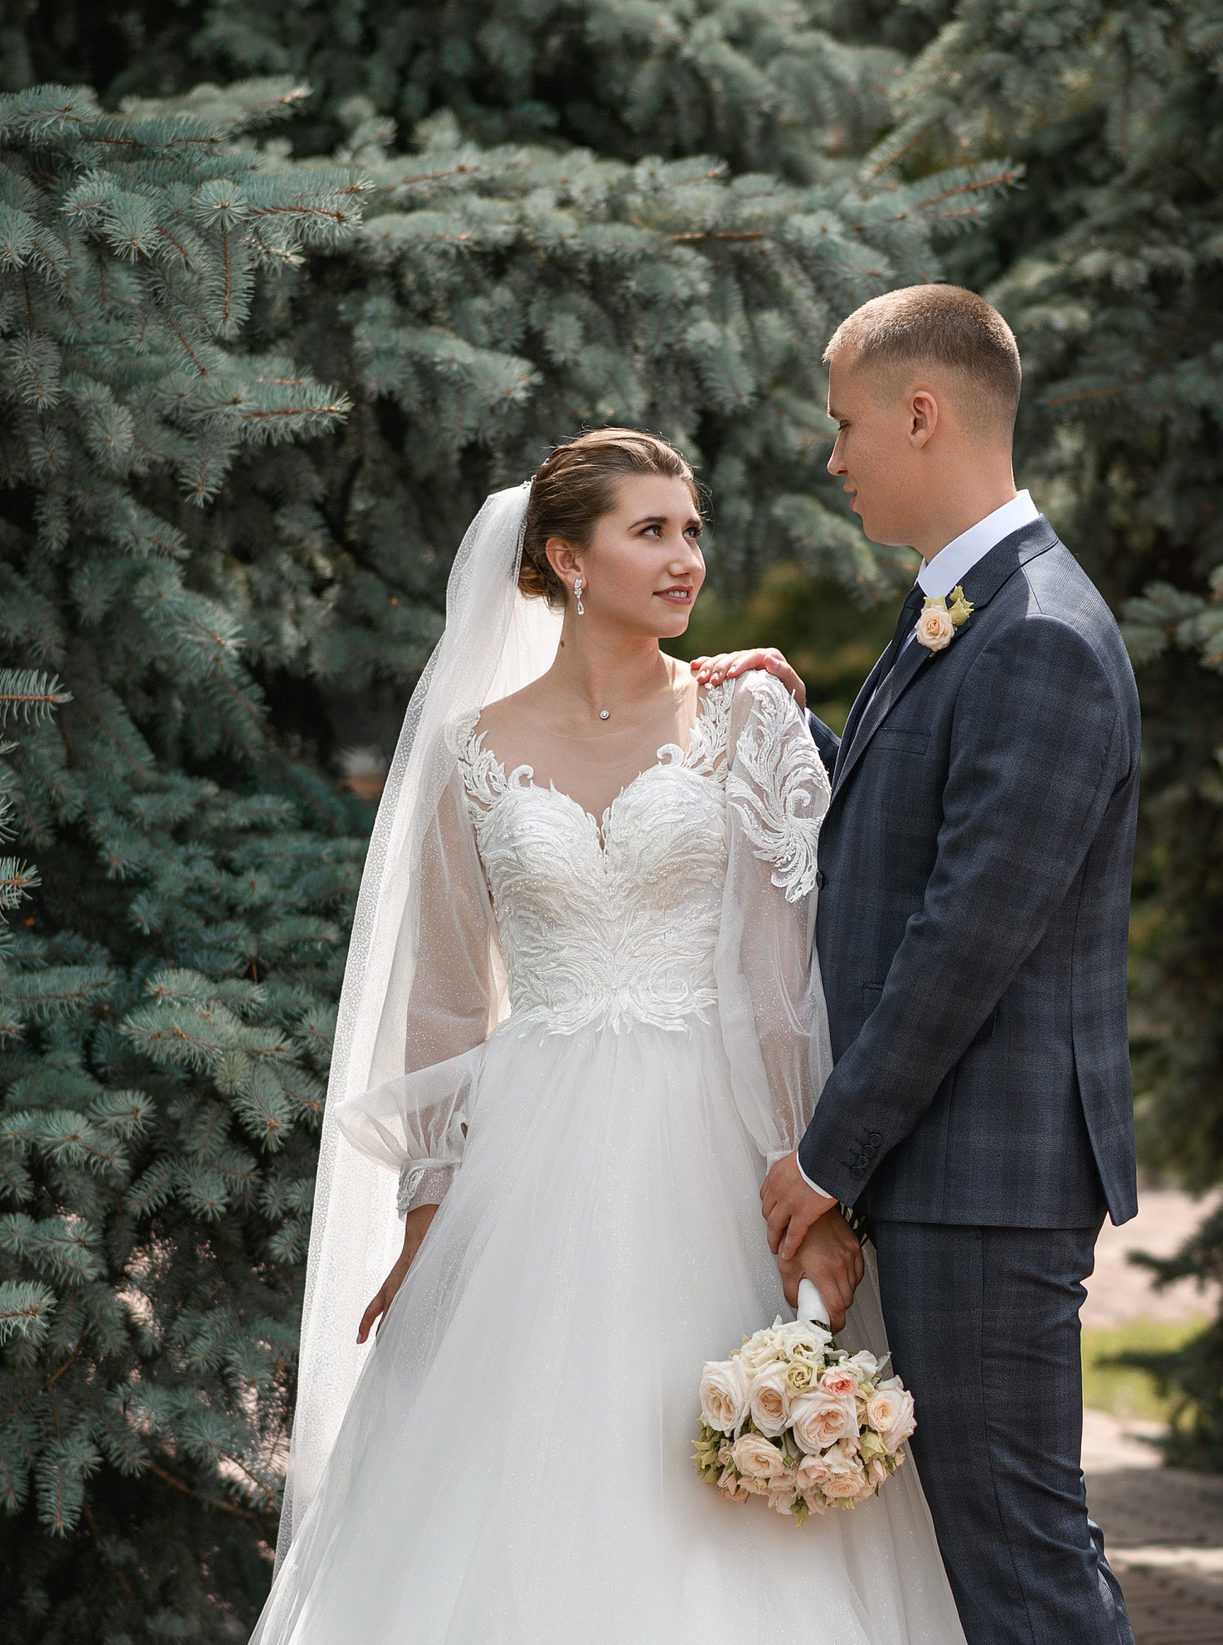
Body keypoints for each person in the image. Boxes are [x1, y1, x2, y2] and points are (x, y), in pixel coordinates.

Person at [262, 428, 966, 1644]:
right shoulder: (470, 749)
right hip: (526, 1165)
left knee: (715, 1484)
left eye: (690, 530)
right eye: (651, 531)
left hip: (712, 1138)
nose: (686, 556)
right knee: (517, 1482)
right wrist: (429, 1217)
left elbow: (790, 980)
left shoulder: (747, 714)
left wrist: (821, 1198)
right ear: (564, 559)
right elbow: (439, 997)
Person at [696, 284, 1142, 1645]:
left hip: (989, 1176)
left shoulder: (1043, 635)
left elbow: (967, 933)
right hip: (952, 1170)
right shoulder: (967, 604)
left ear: (922, 411)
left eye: (846, 423)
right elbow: (912, 839)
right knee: (989, 1555)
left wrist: (831, 1153)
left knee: (1018, 1558)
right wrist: (791, 724)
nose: (834, 458)